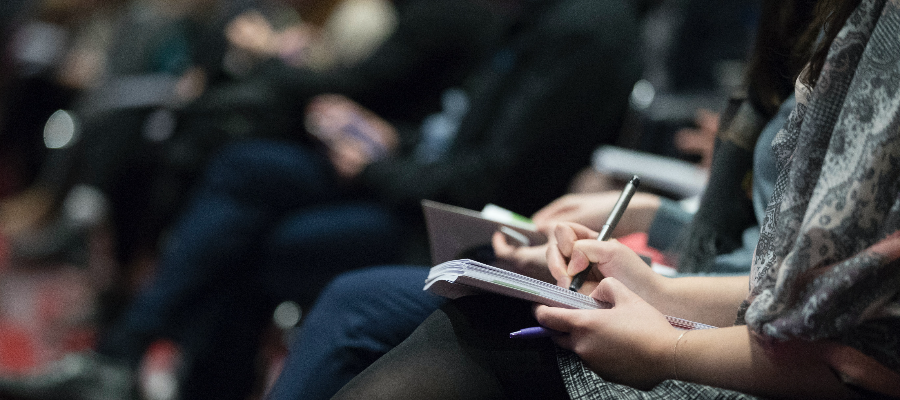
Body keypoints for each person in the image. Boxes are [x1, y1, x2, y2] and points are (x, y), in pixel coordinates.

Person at [0, 0, 645, 399]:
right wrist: (391, 141)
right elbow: (454, 127)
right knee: (248, 165)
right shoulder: (533, 16)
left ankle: (131, 359)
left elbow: (489, 179)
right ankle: (128, 356)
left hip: (468, 228)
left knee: (262, 244)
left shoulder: (576, 30)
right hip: (415, 182)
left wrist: (377, 160)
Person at [319, 0, 900, 398]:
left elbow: (851, 343)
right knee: (379, 299)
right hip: (725, 299)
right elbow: (785, 273)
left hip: (750, 351)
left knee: (403, 314)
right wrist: (656, 272)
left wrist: (669, 344)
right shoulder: (831, 24)